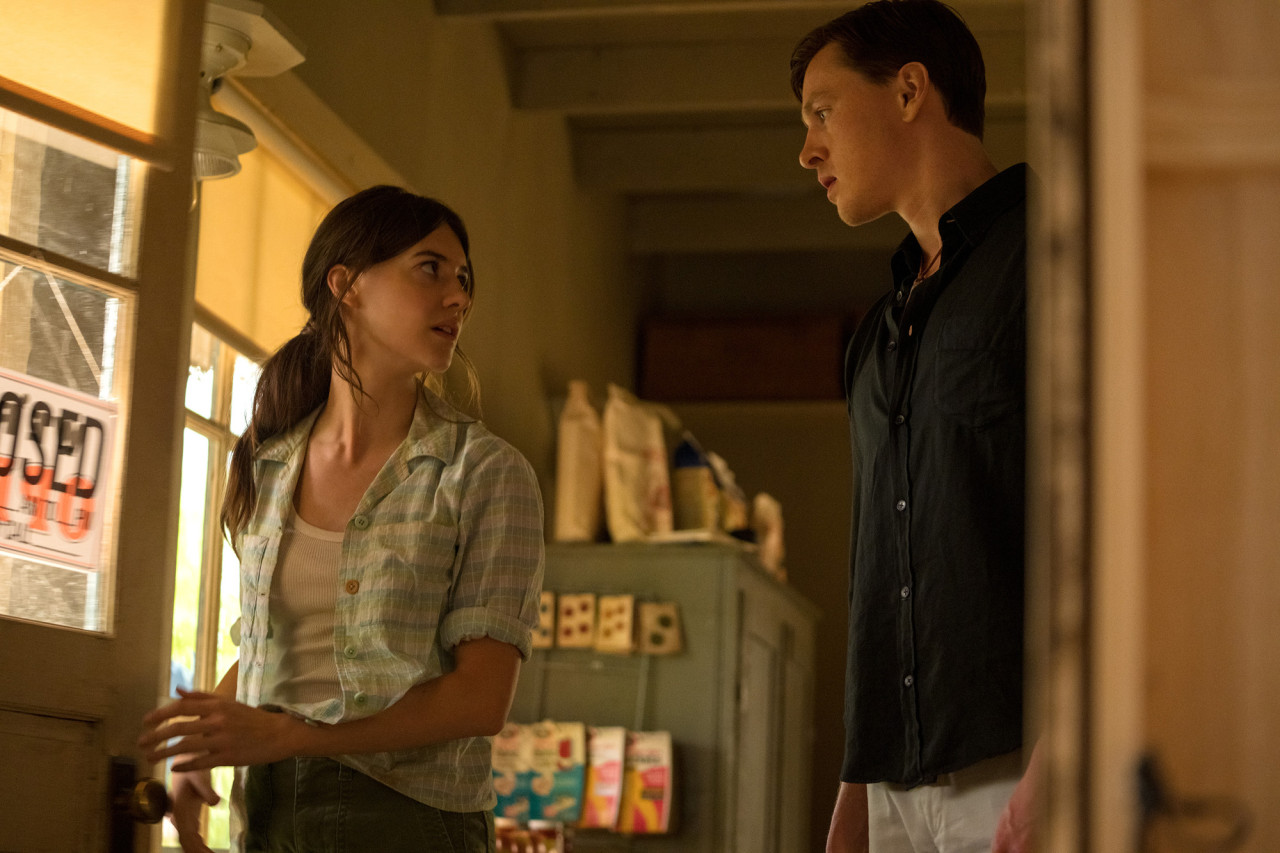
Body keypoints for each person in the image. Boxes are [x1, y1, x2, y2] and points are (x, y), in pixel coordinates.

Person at [139, 185, 545, 853]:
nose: (458, 297)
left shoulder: (485, 473)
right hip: (268, 808)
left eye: (464, 279)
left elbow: (479, 699)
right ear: (346, 285)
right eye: (431, 268)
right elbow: (274, 650)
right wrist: (204, 747)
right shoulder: (269, 464)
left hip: (409, 820)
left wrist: (295, 735)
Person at [790, 2, 1036, 851]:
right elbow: (880, 562)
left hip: (1019, 759)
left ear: (907, 91)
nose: (807, 150)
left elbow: (1124, 511)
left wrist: (1071, 749)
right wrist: (857, 784)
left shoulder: (1057, 252)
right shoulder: (878, 333)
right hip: (892, 783)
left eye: (823, 112)